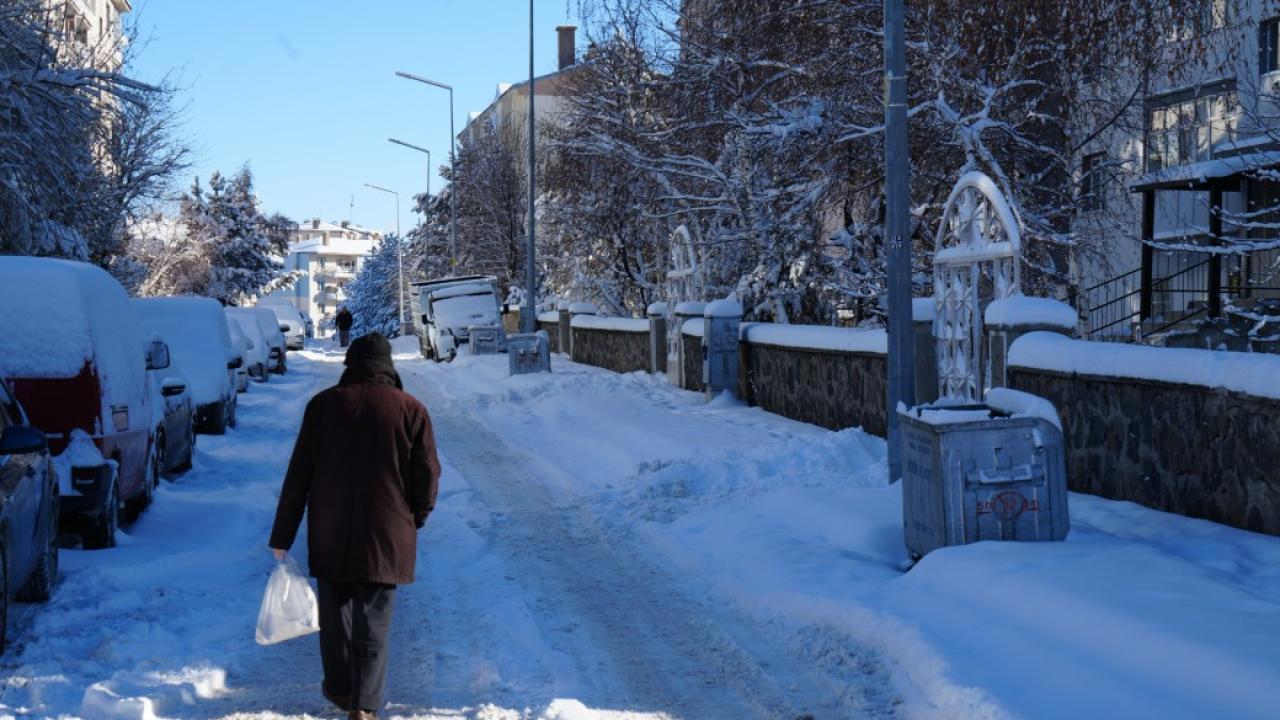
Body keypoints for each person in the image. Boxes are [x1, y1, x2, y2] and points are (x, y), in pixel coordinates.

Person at [268, 333, 441, 720]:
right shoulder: (411, 410)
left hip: (331, 532)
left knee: (336, 619)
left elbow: (299, 475)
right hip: (388, 532)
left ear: (350, 363)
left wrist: (282, 535)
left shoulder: (322, 407)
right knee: (374, 622)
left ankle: (342, 690)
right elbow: (427, 474)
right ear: (389, 367)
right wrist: (418, 514)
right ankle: (364, 705)